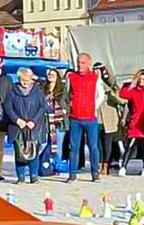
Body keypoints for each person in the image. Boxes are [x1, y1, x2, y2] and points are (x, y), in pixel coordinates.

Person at [66, 53, 106, 183]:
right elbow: (66, 94)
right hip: (75, 118)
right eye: (78, 62)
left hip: (90, 118)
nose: (80, 65)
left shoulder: (95, 77)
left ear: (89, 64)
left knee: (93, 146)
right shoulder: (71, 77)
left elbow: (100, 95)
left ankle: (95, 173)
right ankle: (72, 174)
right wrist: (70, 106)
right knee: (74, 147)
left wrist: (93, 107)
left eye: (83, 63)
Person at [5, 68, 49, 184]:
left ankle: (34, 176)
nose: (25, 83)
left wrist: (34, 121)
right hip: (18, 127)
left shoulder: (38, 91)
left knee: (34, 151)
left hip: (34, 127)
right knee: (19, 152)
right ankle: (20, 177)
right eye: (22, 80)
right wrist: (16, 119)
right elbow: (8, 107)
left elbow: (42, 107)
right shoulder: (12, 90)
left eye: (27, 80)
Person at [119, 69, 144, 177]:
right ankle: (123, 167)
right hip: (136, 122)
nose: (141, 81)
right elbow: (122, 94)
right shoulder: (134, 91)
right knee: (130, 145)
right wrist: (131, 83)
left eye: (143, 79)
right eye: (140, 79)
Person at [93, 63, 123, 175]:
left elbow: (120, 99)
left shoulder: (110, 86)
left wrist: (105, 71)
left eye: (98, 70)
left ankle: (106, 164)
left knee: (107, 143)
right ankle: (98, 163)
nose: (96, 73)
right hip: (95, 116)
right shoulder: (91, 83)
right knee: (96, 143)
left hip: (109, 118)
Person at [44, 68, 68, 168]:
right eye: (49, 74)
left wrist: (65, 111)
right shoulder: (43, 89)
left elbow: (67, 102)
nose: (51, 76)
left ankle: (57, 165)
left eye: (53, 74)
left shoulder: (62, 89)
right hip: (47, 121)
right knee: (48, 143)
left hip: (59, 121)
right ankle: (47, 164)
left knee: (58, 144)